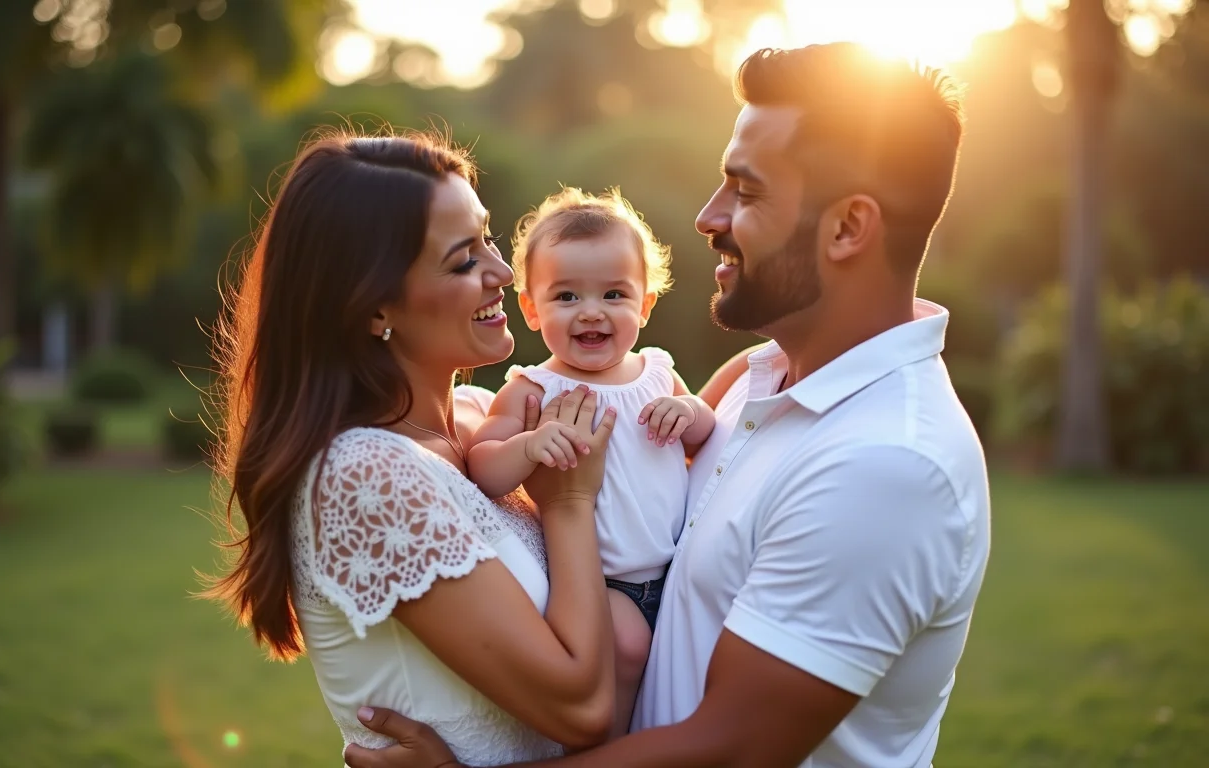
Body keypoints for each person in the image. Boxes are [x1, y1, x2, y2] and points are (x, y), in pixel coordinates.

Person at [342, 41, 992, 768]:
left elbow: (730, 750)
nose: (707, 217)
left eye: (746, 192)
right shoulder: (757, 378)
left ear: (847, 227)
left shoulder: (886, 462)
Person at [203, 131, 622, 766]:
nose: (504, 274)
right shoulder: (364, 473)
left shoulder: (489, 424)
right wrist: (568, 504)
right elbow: (584, 710)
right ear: (374, 308)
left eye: (487, 237)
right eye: (462, 261)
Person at [468, 187, 715, 737]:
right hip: (601, 582)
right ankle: (604, 745)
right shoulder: (534, 389)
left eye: (613, 294)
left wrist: (687, 409)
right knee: (625, 651)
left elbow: (705, 435)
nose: (592, 312)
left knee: (683, 677)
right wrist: (528, 447)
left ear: (645, 304)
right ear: (530, 309)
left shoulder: (657, 371)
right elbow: (482, 466)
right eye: (566, 297)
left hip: (676, 574)